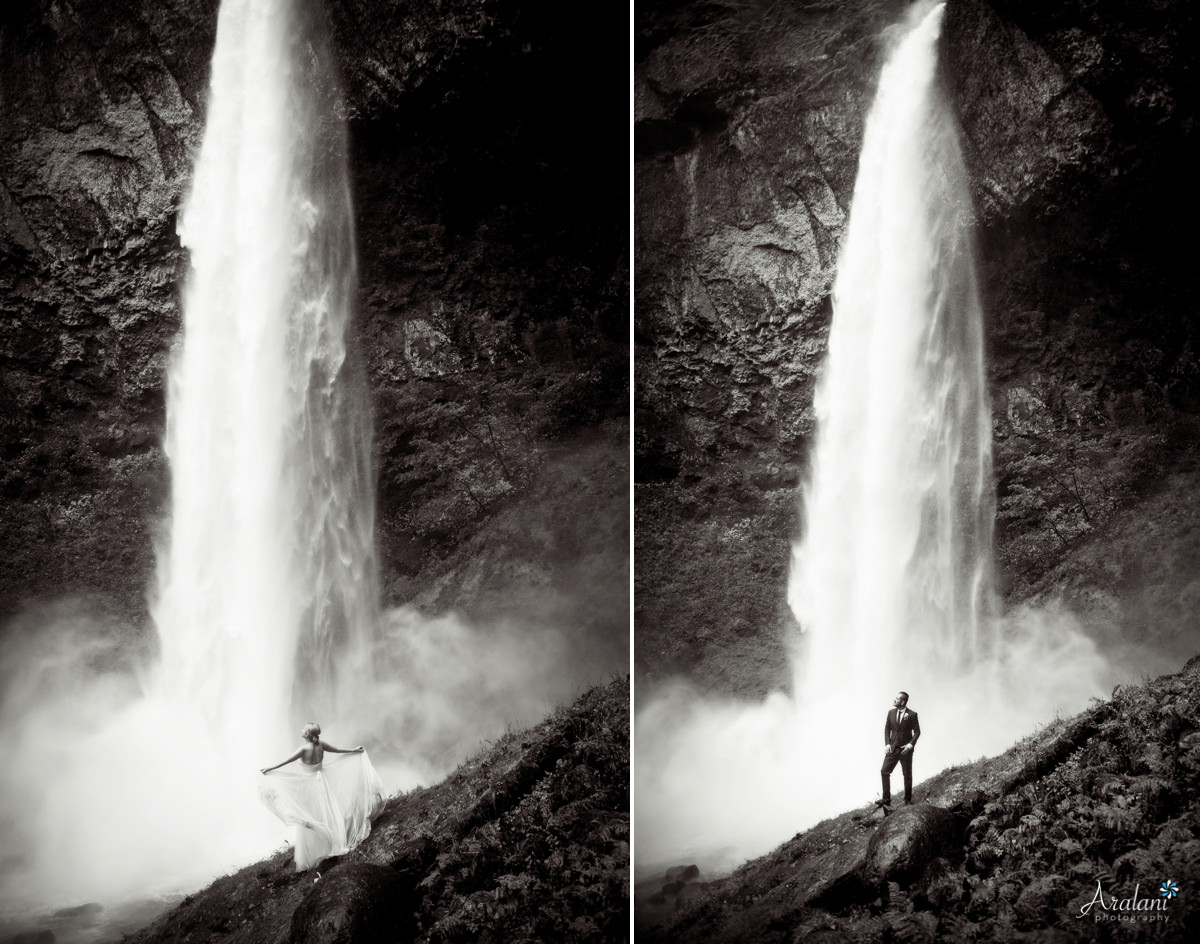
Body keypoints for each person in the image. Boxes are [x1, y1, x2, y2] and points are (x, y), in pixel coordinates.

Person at [259, 722, 386, 871]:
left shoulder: (304, 749)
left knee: (311, 814)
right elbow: (338, 750)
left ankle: (318, 849)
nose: (300, 729)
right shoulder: (321, 744)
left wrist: (270, 769)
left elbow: (286, 761)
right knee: (327, 811)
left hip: (310, 784)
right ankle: (332, 840)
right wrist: (353, 750)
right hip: (323, 781)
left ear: (307, 734)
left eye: (303, 729)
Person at [877, 691, 920, 807]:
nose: (894, 700)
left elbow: (917, 732)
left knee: (907, 774)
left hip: (905, 750)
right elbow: (887, 729)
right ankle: (886, 799)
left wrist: (910, 745)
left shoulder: (912, 715)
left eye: (896, 699)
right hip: (892, 748)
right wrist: (887, 744)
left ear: (902, 702)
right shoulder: (890, 713)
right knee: (884, 771)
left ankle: (907, 801)